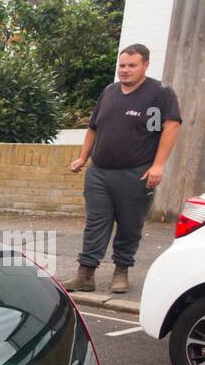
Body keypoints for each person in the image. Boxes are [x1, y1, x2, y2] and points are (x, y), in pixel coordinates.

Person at [62, 44, 182, 295]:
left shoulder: (160, 93)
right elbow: (94, 127)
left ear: (145, 65)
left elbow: (171, 127)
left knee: (129, 225)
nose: (125, 70)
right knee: (95, 223)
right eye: (122, 65)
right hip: (99, 172)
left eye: (131, 65)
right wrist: (83, 157)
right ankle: (86, 274)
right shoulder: (109, 91)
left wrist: (158, 165)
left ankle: (121, 270)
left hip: (135, 173)